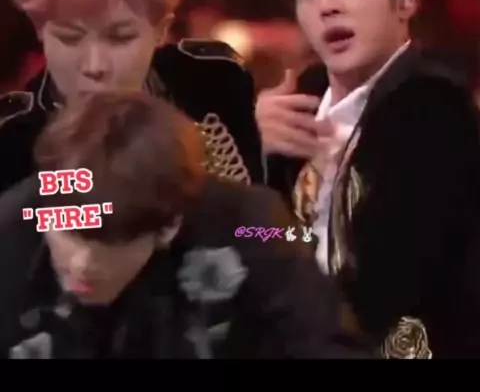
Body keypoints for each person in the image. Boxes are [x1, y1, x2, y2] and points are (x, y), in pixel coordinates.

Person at [255, 0, 480, 358]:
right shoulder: (297, 103)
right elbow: (252, 241)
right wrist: (250, 152)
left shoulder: (434, 109)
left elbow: (386, 280)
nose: (327, 6)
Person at [0, 91, 364, 359]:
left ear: (169, 226)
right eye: (68, 231)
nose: (81, 262)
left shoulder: (250, 224)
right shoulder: (10, 231)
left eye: (109, 242)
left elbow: (326, 344)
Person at [0, 0, 264, 194]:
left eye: (120, 38)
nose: (95, 66)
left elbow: (268, 214)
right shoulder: (11, 141)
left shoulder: (218, 84)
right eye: (70, 38)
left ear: (161, 29)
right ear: (40, 29)